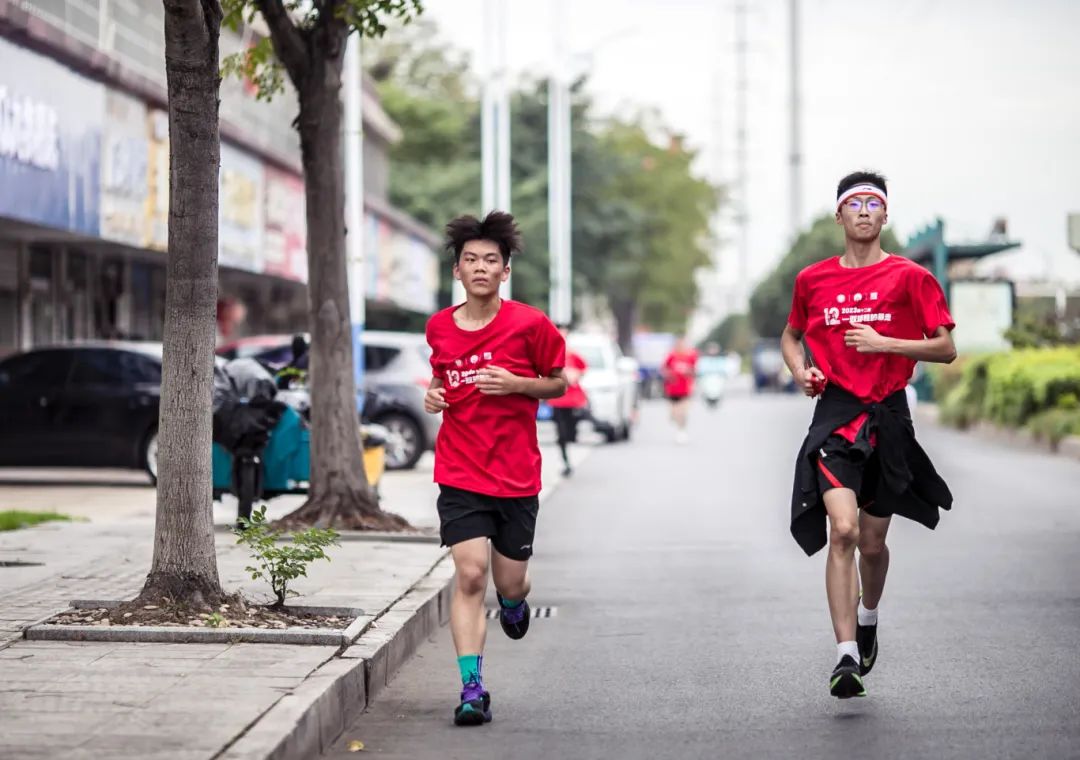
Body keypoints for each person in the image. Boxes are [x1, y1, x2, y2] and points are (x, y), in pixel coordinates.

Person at [782, 171, 956, 699]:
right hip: (836, 414)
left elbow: (945, 348)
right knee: (844, 530)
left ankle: (869, 617)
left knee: (875, 543)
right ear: (839, 216)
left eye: (872, 203)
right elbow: (792, 335)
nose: (863, 211)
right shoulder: (812, 280)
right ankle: (844, 656)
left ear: (885, 216)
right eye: (853, 203)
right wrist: (800, 370)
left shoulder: (910, 278)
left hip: (889, 416)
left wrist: (887, 344)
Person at [423, 211, 568, 726]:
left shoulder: (531, 324)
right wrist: (434, 397)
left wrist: (516, 384)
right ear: (458, 271)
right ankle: (471, 688)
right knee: (469, 575)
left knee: (510, 583)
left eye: (490, 260)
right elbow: (442, 382)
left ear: (505, 271)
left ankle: (513, 604)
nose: (480, 267)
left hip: (515, 475)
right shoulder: (439, 326)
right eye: (470, 260)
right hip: (459, 471)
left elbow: (559, 383)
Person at [546, 325, 589, 477]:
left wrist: (576, 375)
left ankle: (571, 441)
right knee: (561, 433)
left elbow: (584, 368)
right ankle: (565, 462)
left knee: (571, 431)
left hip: (573, 400)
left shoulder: (573, 356)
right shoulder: (550, 355)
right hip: (558, 400)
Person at [661, 337, 698, 443]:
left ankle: (681, 431)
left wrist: (689, 372)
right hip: (672, 390)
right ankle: (674, 419)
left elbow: (695, 371)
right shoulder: (671, 356)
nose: (681, 346)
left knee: (683, 412)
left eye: (683, 344)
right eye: (679, 344)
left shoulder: (691, 356)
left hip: (685, 390)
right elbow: (664, 369)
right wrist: (669, 375)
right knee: (673, 414)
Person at [696, 341, 727, 409]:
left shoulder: (720, 359)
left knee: (716, 388)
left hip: (717, 378)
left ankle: (715, 399)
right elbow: (701, 369)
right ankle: (709, 399)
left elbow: (724, 369)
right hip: (707, 378)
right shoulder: (704, 359)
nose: (712, 351)